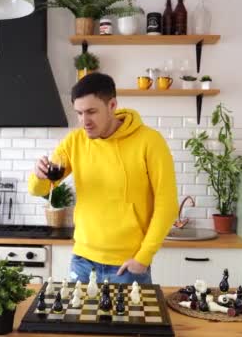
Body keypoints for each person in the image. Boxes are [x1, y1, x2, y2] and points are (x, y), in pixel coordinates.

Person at [28, 73, 178, 284]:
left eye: (91, 112)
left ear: (112, 105)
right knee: (74, 318)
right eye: (79, 113)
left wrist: (143, 258)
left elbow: (167, 205)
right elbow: (39, 189)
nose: (84, 121)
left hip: (127, 265)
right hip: (82, 261)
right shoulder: (75, 141)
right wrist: (38, 174)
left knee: (129, 319)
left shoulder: (150, 141)